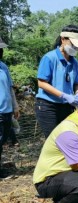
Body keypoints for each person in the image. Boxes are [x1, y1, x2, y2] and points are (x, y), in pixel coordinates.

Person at [35, 25, 78, 138]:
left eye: (77, 46)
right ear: (63, 39)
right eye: (73, 44)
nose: (75, 48)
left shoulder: (75, 63)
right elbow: (42, 83)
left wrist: (77, 94)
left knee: (66, 138)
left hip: (66, 106)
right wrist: (63, 95)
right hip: (48, 106)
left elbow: (76, 84)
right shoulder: (50, 58)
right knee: (53, 139)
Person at [0, 36, 20, 178]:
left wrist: (15, 106)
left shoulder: (3, 67)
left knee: (2, 140)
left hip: (6, 111)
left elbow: (9, 88)